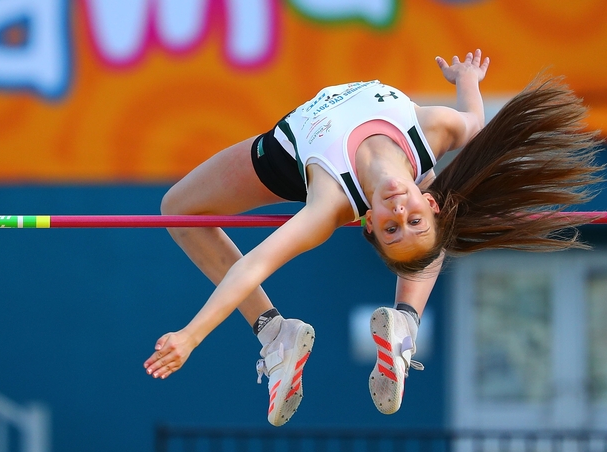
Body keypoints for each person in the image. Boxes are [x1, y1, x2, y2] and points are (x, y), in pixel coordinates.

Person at [143, 49, 603, 425]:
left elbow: (253, 266)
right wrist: (468, 81)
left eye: (390, 227)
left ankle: (276, 334)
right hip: (394, 156)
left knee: (177, 210)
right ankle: (405, 322)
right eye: (413, 220)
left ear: (367, 222)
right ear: (429, 203)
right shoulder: (433, 132)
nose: (400, 211)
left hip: (287, 154)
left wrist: (191, 335)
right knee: (431, 217)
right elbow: (474, 121)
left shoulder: (328, 203)